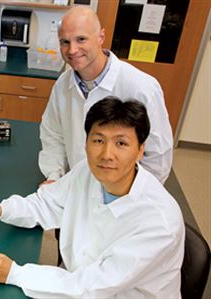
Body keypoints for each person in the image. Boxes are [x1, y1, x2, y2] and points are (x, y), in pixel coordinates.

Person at [0, 98, 185, 298]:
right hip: (76, 283)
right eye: (98, 140)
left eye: (121, 143)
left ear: (140, 150)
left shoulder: (160, 223)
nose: (107, 154)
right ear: (86, 144)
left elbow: (93, 285)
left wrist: (15, 273)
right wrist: (3, 209)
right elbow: (47, 203)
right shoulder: (87, 172)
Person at [39, 6, 173, 185]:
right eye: (65, 42)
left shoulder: (142, 87)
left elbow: (158, 156)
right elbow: (52, 135)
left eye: (81, 39)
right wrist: (54, 176)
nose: (72, 50)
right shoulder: (63, 85)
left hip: (123, 194)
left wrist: (136, 197)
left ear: (101, 37)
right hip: (76, 187)